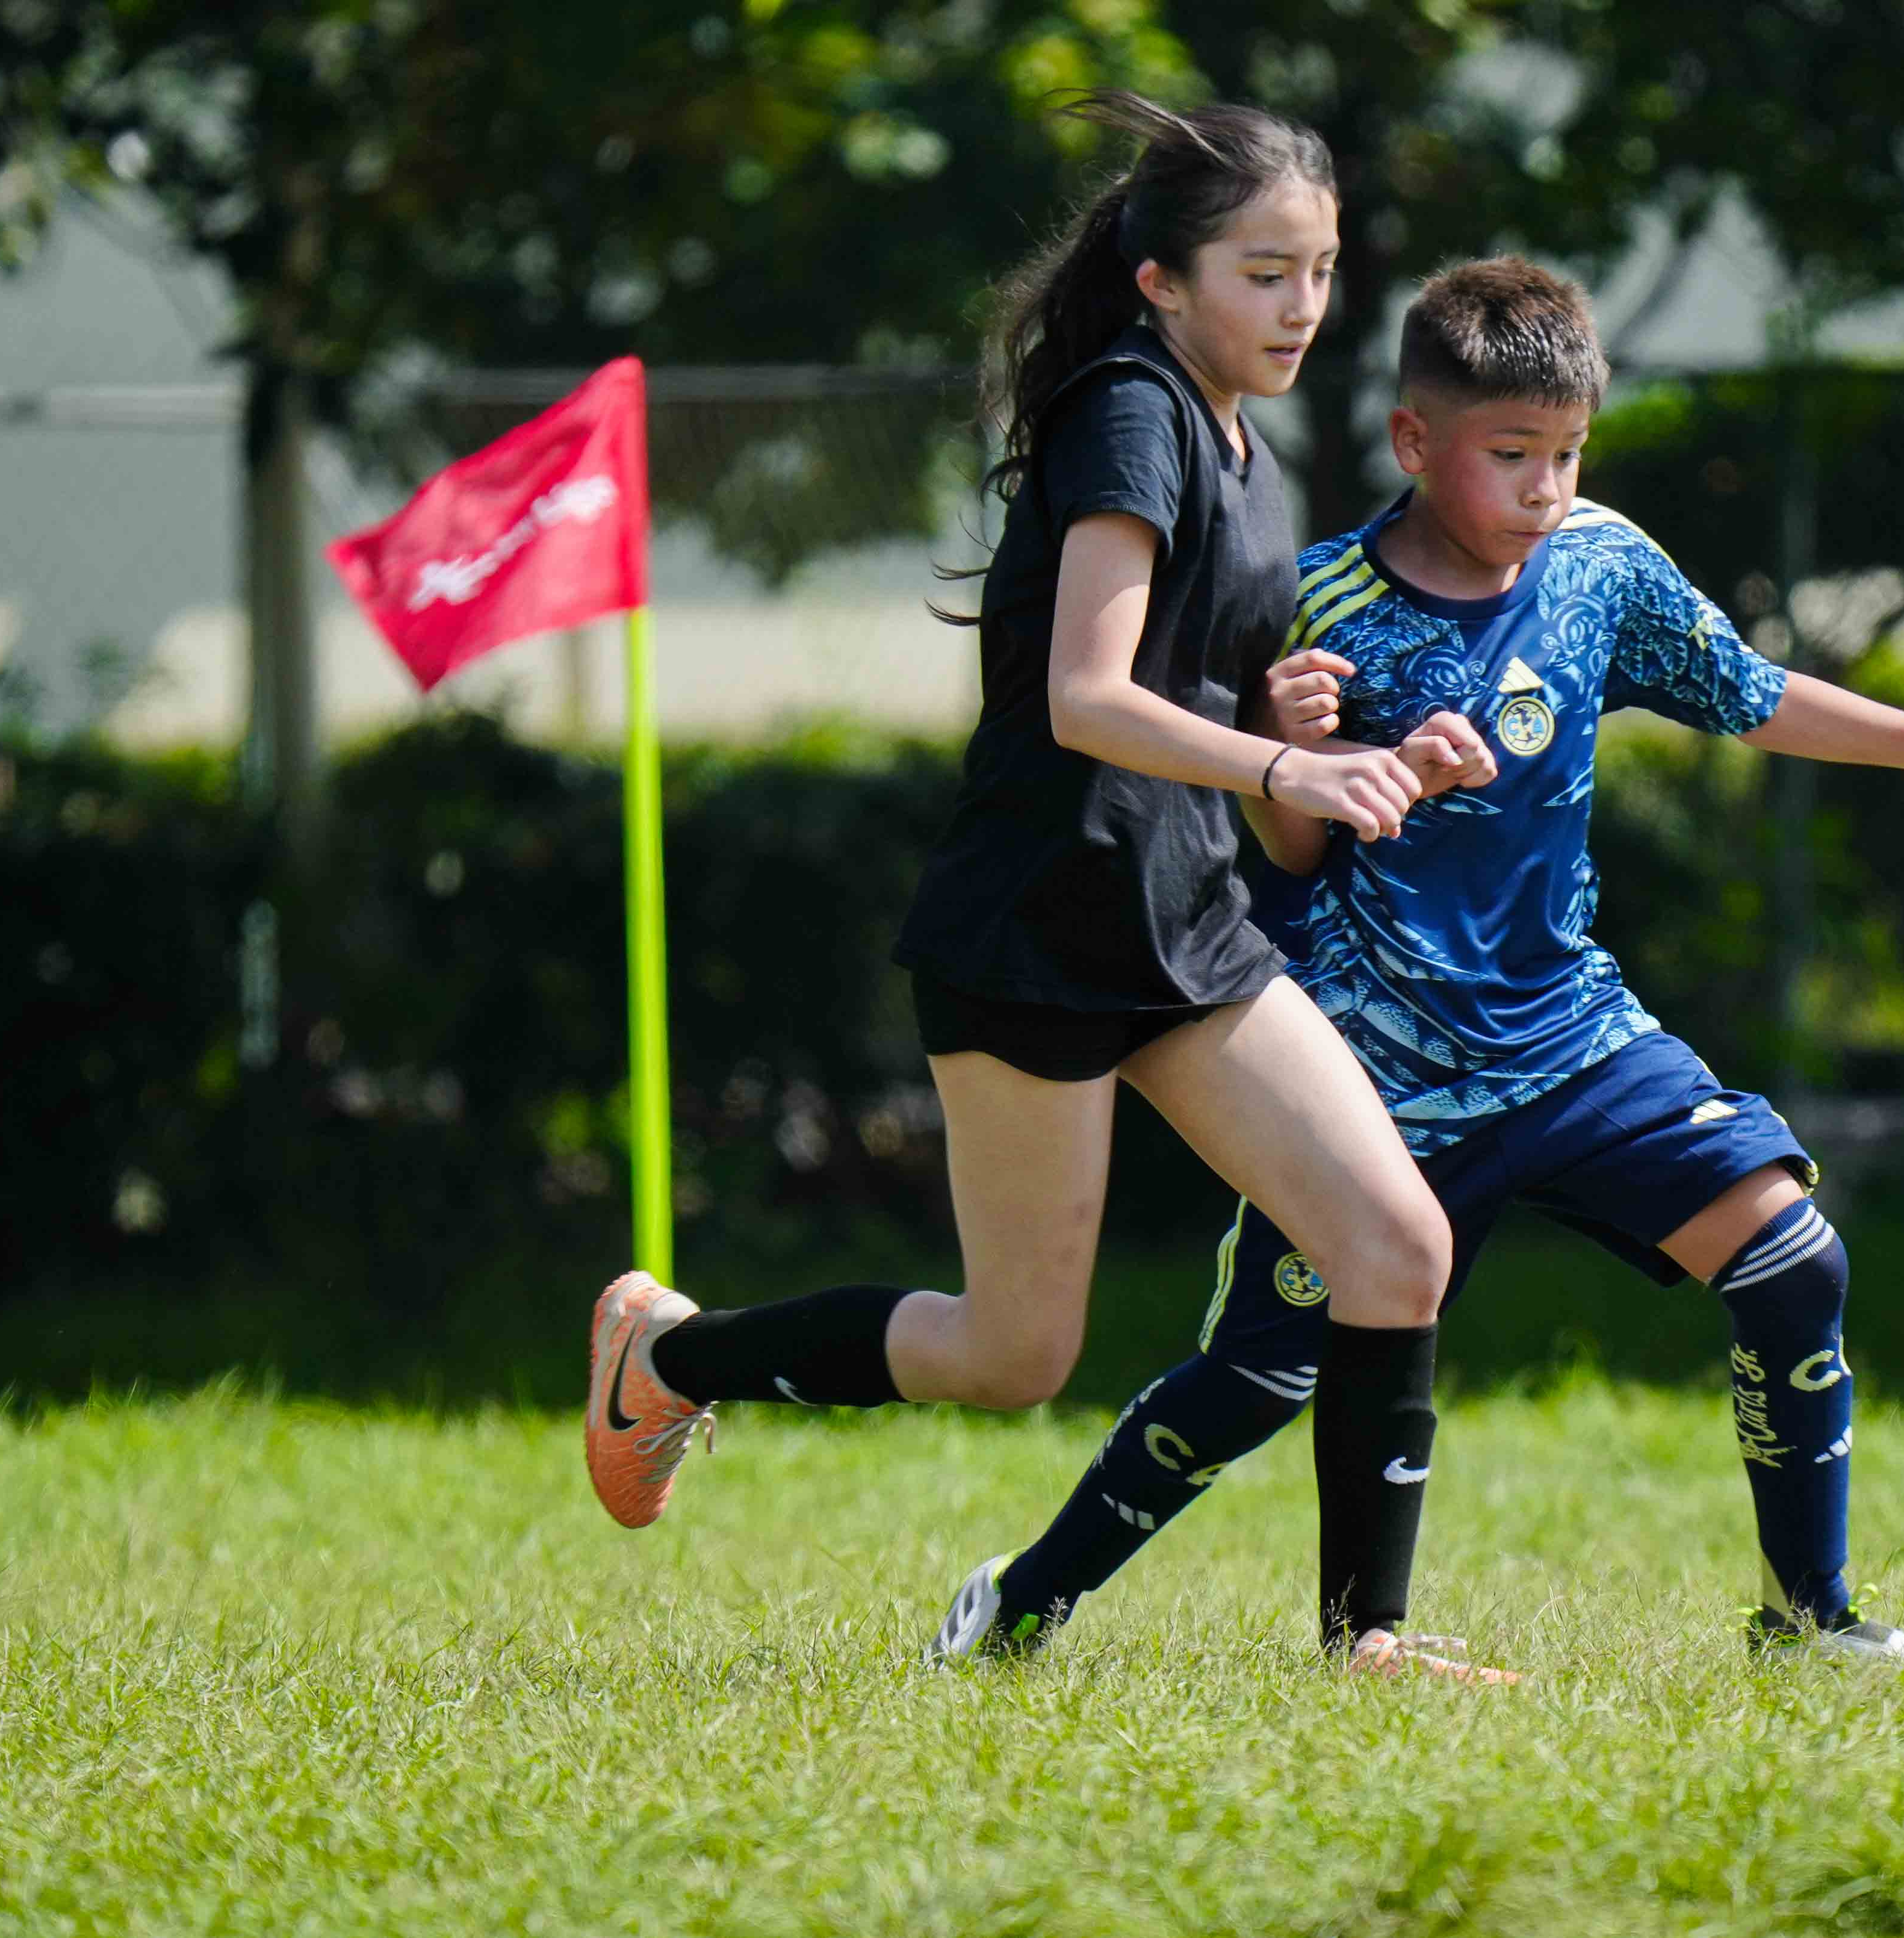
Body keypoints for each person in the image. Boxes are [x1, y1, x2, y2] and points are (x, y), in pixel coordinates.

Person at [932, 256, 1904, 1669]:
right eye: (1511, 456)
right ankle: (1024, 1597)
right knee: (1251, 1379)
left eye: (1566, 453)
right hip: (1375, 1089)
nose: (1545, 487)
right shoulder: (1314, 614)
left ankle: (1812, 1617)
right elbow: (1274, 874)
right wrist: (1291, 762)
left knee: (1790, 1258)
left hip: (1570, 1038)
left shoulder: (1601, 563)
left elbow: (1749, 692)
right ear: (1414, 442)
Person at [581, 94, 1510, 1682]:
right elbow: (1087, 694)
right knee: (1013, 1351)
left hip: (1188, 923)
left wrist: (1326, 734)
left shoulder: (1247, 443)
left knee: (1393, 1245)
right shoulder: (1130, 412)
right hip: (1037, 929)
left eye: (1320, 271)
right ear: (1163, 280)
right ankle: (668, 1354)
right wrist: (1279, 769)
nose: (1301, 308)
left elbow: (1198, 701)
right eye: (1262, 273)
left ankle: (1369, 1642)